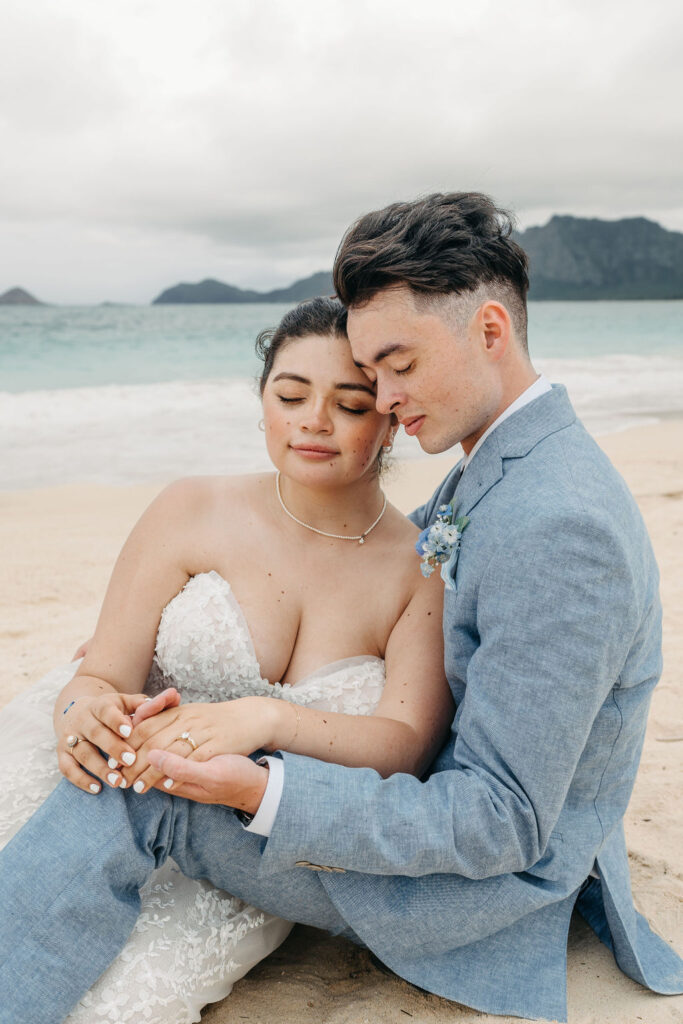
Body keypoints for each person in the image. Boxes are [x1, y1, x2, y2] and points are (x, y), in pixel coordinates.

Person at [1, 192, 682, 1024]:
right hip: (430, 795)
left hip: (484, 890)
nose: (385, 396)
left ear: (490, 332)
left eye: (395, 366)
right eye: (373, 374)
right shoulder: (504, 465)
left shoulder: (559, 522)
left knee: (145, 781)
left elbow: (501, 822)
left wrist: (259, 790)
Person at [0, 295, 451, 1024]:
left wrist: (268, 717)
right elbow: (97, 675)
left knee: (119, 1003)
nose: (313, 420)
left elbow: (403, 745)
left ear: (393, 416)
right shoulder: (190, 508)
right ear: (263, 400)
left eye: (350, 403)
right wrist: (84, 717)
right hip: (111, 782)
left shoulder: (418, 571)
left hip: (245, 846)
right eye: (291, 395)